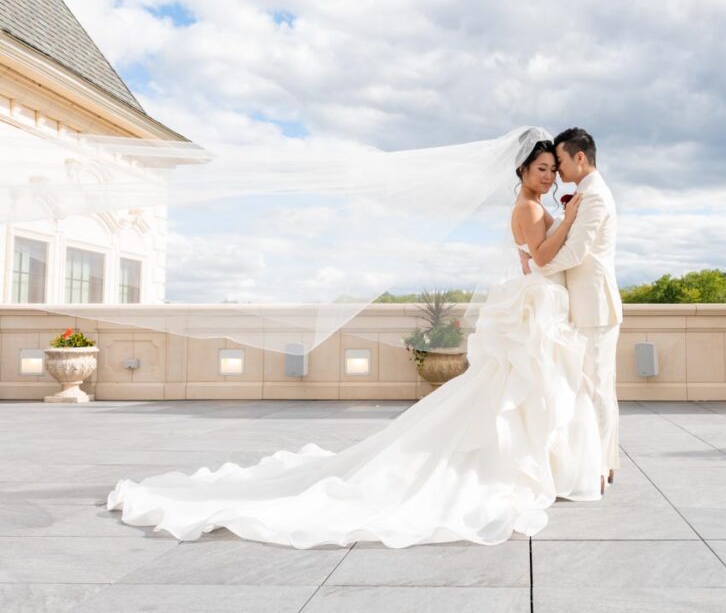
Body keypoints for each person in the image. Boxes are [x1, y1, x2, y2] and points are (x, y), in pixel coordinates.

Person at [106, 131, 607, 549]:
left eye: (551, 168)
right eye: (541, 168)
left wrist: (559, 220)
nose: (548, 176)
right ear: (521, 172)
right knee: (525, 391)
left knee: (528, 391)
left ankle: (541, 465)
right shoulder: (532, 208)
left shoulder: (535, 207)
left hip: (539, 306)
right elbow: (541, 257)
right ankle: (525, 468)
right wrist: (570, 216)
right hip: (539, 303)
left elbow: (534, 257)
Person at [526, 128, 623, 488]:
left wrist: (535, 266)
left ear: (580, 157)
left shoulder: (595, 197)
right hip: (584, 303)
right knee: (594, 385)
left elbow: (576, 252)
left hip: (594, 305)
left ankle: (597, 466)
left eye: (561, 162)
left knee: (595, 386)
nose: (557, 172)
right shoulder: (585, 194)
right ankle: (604, 461)